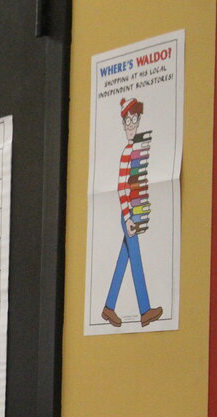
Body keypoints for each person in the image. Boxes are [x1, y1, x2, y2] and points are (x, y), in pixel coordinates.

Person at [101, 97, 163, 328]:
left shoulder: (135, 149)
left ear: (138, 121)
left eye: (133, 120)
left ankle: (108, 307)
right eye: (127, 120)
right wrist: (127, 217)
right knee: (135, 259)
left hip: (135, 211)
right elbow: (121, 187)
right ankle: (145, 311)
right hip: (129, 214)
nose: (130, 125)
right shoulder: (127, 152)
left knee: (124, 258)